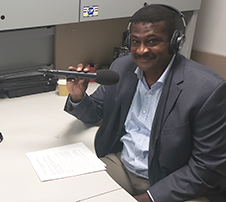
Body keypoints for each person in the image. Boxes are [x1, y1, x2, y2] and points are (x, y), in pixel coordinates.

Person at [64, 4, 226, 202]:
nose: (141, 50)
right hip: (123, 166)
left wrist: (149, 198)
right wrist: (78, 96)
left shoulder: (207, 89)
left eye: (152, 41)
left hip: (174, 182)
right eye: (135, 41)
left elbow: (206, 167)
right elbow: (96, 111)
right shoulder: (121, 68)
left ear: (175, 42)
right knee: (73, 192)